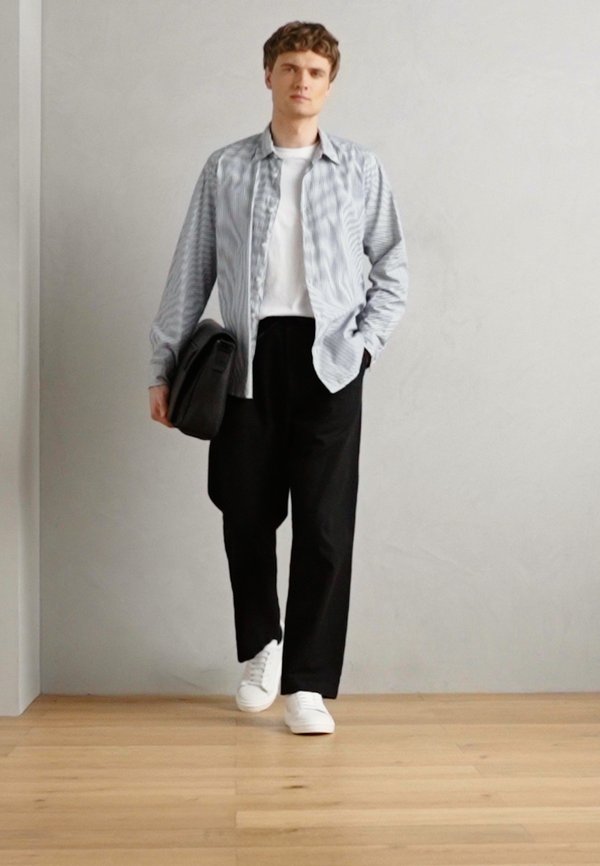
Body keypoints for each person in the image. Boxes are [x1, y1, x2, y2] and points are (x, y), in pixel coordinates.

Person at [148, 21, 409, 735]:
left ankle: (308, 685)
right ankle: (262, 647)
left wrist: (363, 347)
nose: (302, 81)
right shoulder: (226, 168)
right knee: (245, 512)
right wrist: (161, 366)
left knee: (324, 527)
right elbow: (190, 271)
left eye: (315, 71)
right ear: (268, 75)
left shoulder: (360, 169)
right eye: (290, 67)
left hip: (330, 359)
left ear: (330, 83)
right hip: (247, 361)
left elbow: (393, 266)